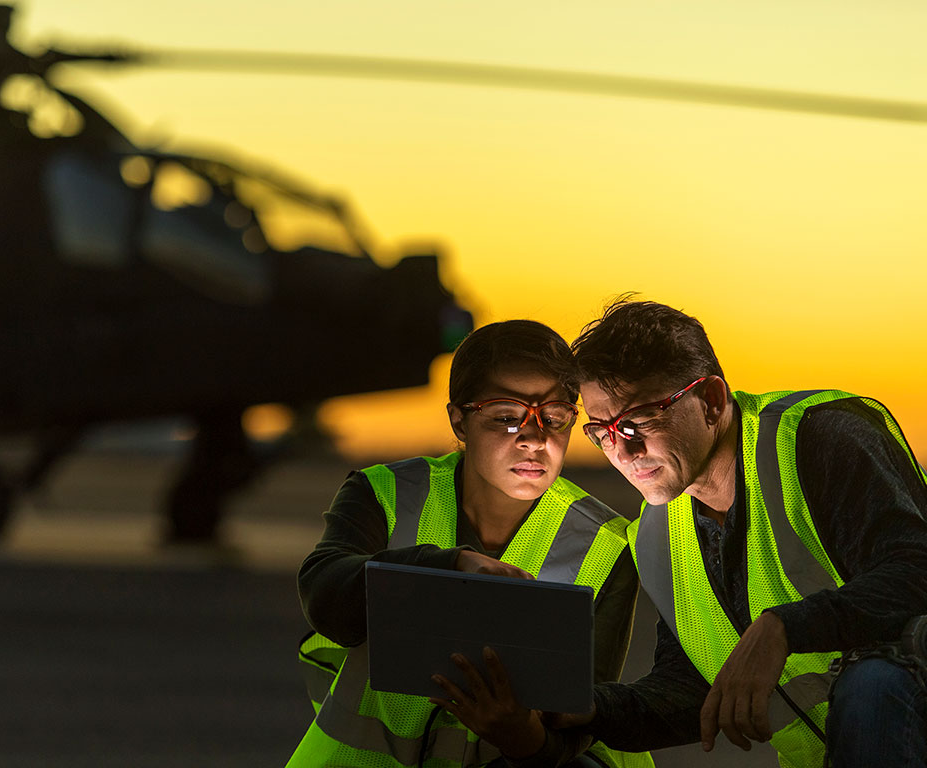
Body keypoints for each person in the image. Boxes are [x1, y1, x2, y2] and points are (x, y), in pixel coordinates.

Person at [558, 297, 927, 768]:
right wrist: (588, 710)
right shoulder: (654, 539)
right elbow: (691, 690)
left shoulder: (819, 439)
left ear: (711, 401)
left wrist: (782, 628)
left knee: (876, 680)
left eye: (639, 420)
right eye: (602, 430)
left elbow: (917, 573)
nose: (624, 450)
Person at [287, 320, 654, 768]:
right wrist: (449, 566)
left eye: (555, 418)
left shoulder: (607, 544)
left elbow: (584, 717)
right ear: (459, 420)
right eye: (505, 417)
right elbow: (324, 595)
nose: (535, 439)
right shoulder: (384, 493)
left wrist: (524, 738)